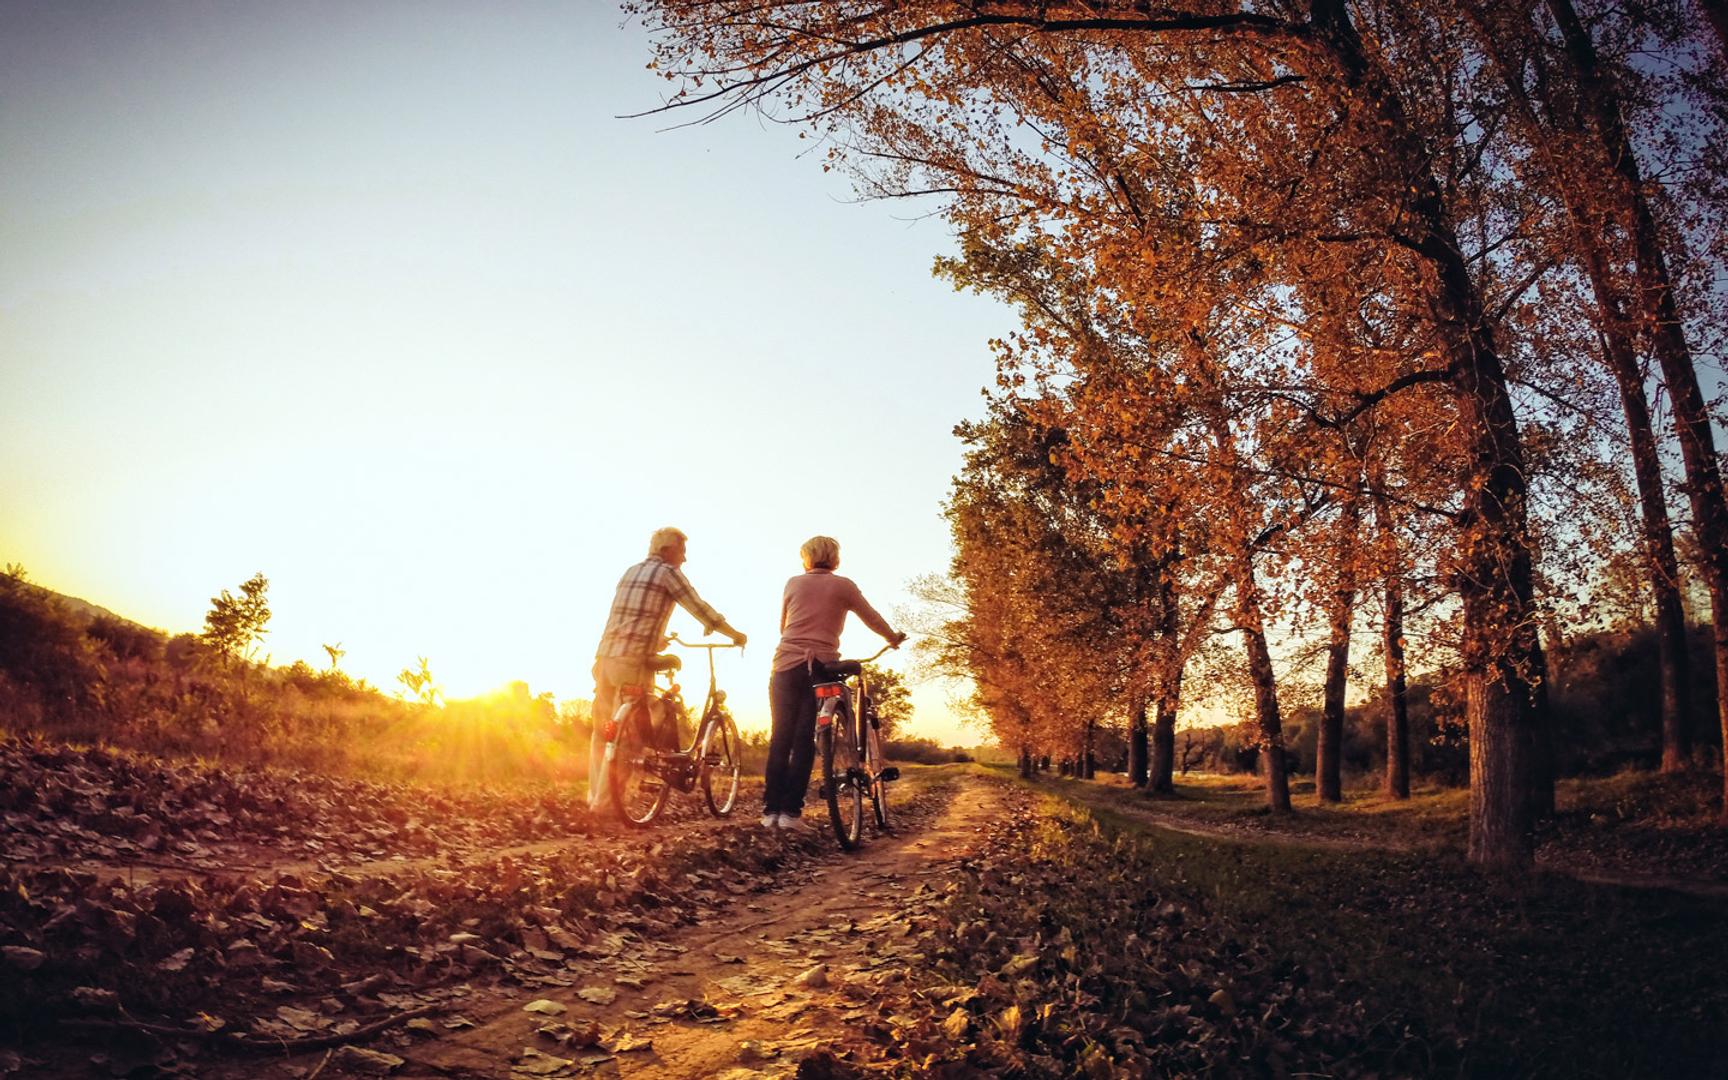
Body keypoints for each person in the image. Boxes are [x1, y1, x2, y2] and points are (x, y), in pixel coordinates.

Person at [590, 527, 746, 810]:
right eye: (682, 551)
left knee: (603, 731)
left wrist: (657, 639)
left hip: (605, 658)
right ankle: (607, 805)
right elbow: (699, 607)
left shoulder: (631, 571)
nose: (684, 558)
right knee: (631, 734)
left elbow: (630, 617)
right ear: (667, 550)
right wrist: (733, 634)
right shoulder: (667, 573)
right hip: (632, 662)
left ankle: (595, 798)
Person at [764, 535, 905, 828]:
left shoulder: (793, 583)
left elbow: (783, 626)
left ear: (806, 558)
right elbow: (872, 618)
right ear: (835, 559)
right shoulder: (844, 586)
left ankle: (770, 812)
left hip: (785, 664)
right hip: (820, 667)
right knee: (803, 738)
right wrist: (892, 638)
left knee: (780, 737)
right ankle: (790, 813)